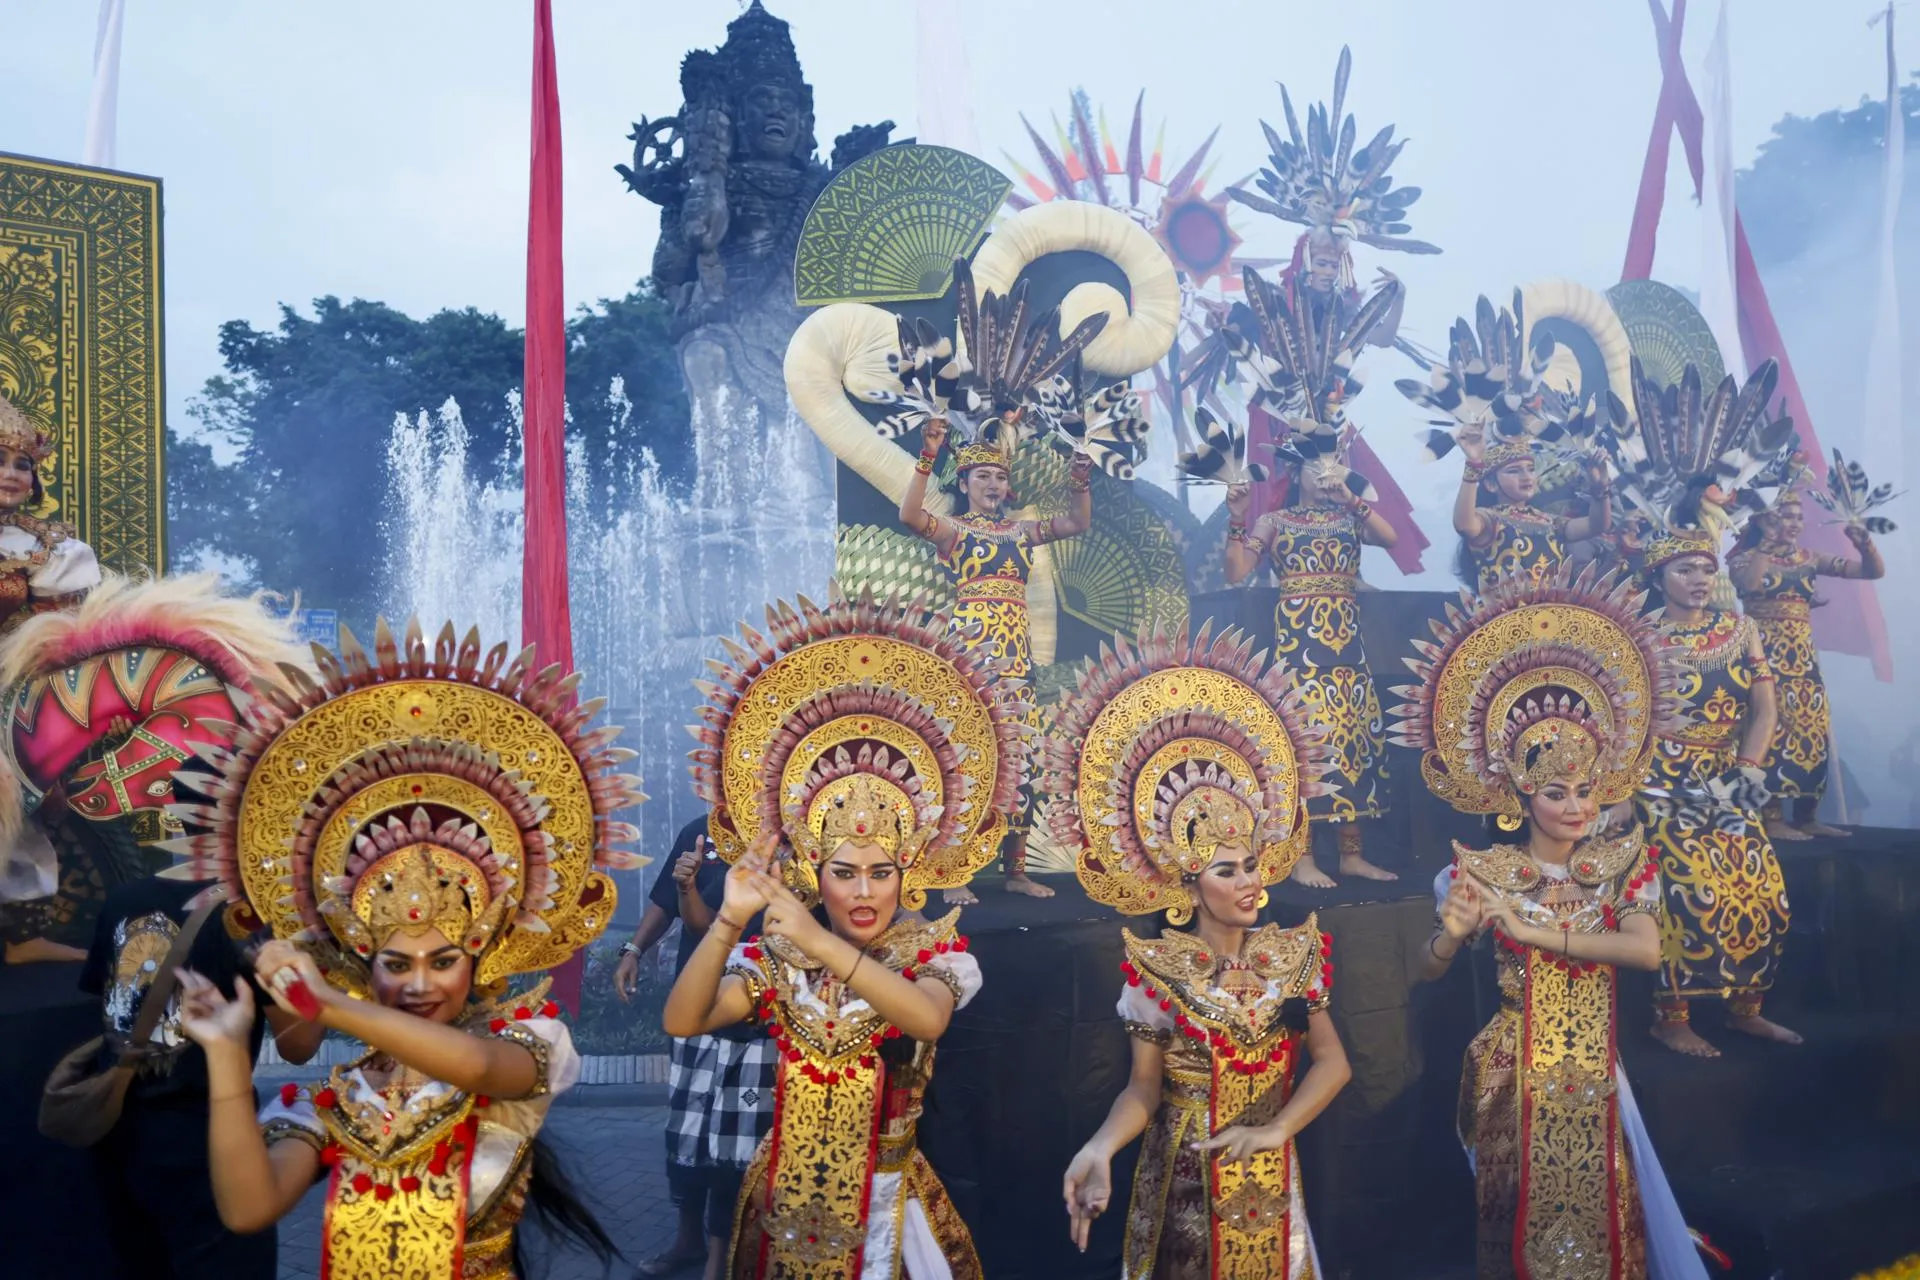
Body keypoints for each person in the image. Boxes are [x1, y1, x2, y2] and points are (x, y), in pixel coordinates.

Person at [166, 618, 644, 1279]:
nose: (420, 983)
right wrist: (223, 1053)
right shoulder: (334, 1101)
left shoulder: (527, 1049)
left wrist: (325, 1005)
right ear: (364, 962)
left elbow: (474, 1067)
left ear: (480, 958)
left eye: (443, 960)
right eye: (396, 963)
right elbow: (249, 1210)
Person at [672, 585, 1030, 1278]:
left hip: (887, 1203)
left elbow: (925, 1021)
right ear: (815, 867)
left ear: (908, 870)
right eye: (844, 871)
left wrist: (817, 941)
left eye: (880, 871)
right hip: (785, 1208)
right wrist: (727, 918)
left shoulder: (933, 952)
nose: (864, 892)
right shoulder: (780, 956)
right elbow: (686, 1020)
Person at [1395, 563, 1713, 1279]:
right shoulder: (1485, 870)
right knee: (1516, 1216)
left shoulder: (1622, 862)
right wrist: (1450, 933)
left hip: (1595, 1064)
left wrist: (1535, 931)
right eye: (1557, 792)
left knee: (1605, 1212)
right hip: (1514, 1066)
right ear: (1521, 797)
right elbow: (1425, 967)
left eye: (1587, 792)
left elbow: (1644, 951)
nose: (1576, 807)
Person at [1053, 623, 1352, 1279]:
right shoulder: (1157, 972)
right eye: (1226, 870)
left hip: (1272, 1178)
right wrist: (1102, 1146)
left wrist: (1279, 1129)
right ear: (1188, 886)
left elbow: (1333, 1064)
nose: (1248, 881)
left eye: (1250, 864)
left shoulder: (1293, 954)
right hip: (1184, 1181)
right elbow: (1142, 1089)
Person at [80, 872, 324, 1279]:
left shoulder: (123, 896)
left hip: (118, 1127)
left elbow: (103, 1000)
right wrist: (315, 975)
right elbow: (298, 1047)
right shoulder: (252, 916)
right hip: (212, 1138)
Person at [901, 414, 1090, 904]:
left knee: (1022, 763)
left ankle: (1016, 869)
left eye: (1000, 476)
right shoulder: (955, 529)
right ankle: (951, 872)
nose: (993, 483)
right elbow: (908, 517)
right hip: (971, 662)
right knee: (965, 761)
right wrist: (928, 454)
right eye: (982, 476)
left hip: (1017, 665)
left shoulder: (1022, 532)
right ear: (963, 483)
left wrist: (1080, 476)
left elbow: (1077, 521)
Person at [1638, 525, 1796, 1058]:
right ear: (1658, 578)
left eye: (1707, 569)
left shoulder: (1741, 628)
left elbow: (1766, 711)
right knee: (1685, 891)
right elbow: (1623, 718)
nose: (1700, 579)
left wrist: (1747, 773)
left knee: (1764, 889)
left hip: (1731, 774)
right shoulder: (1637, 632)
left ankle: (1745, 1011)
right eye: (1685, 570)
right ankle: (1671, 1018)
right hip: (1660, 779)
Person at [617, 817, 775, 1280]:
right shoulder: (702, 830)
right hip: (697, 1005)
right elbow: (670, 904)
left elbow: (709, 921)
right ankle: (688, 1239)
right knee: (687, 1130)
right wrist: (632, 950)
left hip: (760, 1011)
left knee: (739, 1138)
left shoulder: (798, 834)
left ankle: (722, 1256)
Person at [0, 392, 103, 962]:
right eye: (0, 459)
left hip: (14, 694)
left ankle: (20, 938)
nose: (11, 475)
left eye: (22, 463)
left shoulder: (48, 550)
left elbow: (61, 646)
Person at [1728, 481, 1885, 841]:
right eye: (1786, 515)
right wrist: (1766, 544)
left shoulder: (1809, 558)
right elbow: (1750, 587)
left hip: (1803, 661)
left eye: (1799, 516)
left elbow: (1872, 572)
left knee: (1813, 728)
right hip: (1762, 656)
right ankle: (1771, 817)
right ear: (1767, 518)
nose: (1795, 523)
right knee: (1769, 728)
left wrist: (1865, 543)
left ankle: (1806, 815)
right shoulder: (1744, 559)